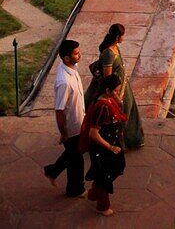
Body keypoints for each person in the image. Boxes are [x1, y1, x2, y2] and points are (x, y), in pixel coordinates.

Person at [85, 23, 144, 148]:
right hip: (113, 89)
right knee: (119, 114)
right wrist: (115, 96)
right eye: (123, 36)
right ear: (117, 37)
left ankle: (131, 140)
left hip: (121, 86)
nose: (124, 38)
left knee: (129, 110)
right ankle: (118, 143)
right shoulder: (108, 54)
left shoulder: (115, 48)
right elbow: (108, 78)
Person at [43, 39, 86, 197]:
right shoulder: (64, 82)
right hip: (71, 127)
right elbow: (59, 110)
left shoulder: (72, 68)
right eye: (76, 53)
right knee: (76, 159)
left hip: (79, 121)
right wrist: (64, 132)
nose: (79, 55)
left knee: (73, 154)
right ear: (67, 58)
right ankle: (75, 189)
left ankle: (52, 171)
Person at [82, 73, 127, 217]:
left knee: (116, 167)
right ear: (107, 91)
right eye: (115, 91)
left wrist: (117, 98)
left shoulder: (108, 102)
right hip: (103, 148)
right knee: (105, 176)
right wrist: (110, 147)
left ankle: (94, 192)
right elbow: (93, 133)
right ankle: (102, 206)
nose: (117, 94)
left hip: (111, 144)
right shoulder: (102, 107)